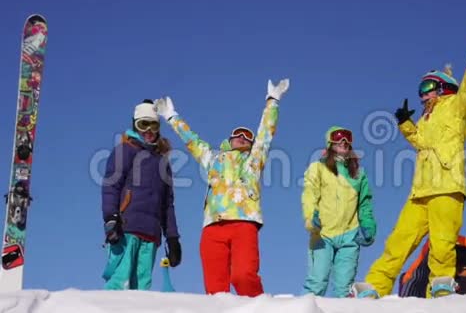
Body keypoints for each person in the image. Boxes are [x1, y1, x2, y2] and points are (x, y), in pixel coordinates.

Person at [361, 18, 466, 298]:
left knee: (443, 242)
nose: (421, 96)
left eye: (426, 88)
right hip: (420, 191)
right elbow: (420, 143)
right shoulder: (425, 119)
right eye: (420, 89)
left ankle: (441, 285)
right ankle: (376, 284)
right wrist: (405, 124)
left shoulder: (456, 107)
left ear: (443, 88)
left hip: (447, 186)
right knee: (399, 240)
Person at [154, 78, 290, 297]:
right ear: (230, 139)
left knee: (243, 276)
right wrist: (172, 116)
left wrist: (272, 101)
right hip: (213, 226)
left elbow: (265, 134)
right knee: (216, 290)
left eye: (248, 136)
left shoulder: (254, 161)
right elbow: (192, 141)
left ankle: (262, 308)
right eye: (239, 134)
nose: (243, 138)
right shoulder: (213, 158)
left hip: (244, 222)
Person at [101, 99, 182, 290]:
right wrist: (111, 218)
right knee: (121, 281)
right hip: (125, 228)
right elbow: (111, 186)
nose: (148, 131)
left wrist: (172, 237)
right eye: (142, 124)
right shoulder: (125, 150)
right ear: (135, 125)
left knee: (142, 287)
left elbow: (167, 205)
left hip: (151, 235)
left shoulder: (163, 162)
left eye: (153, 125)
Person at [301, 126, 376, 298]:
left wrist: (368, 226)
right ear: (329, 143)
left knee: (344, 288)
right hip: (323, 233)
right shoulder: (318, 168)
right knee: (317, 282)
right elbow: (310, 193)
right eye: (339, 137)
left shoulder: (358, 174)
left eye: (348, 138)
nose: (344, 141)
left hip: (350, 236)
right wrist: (311, 217)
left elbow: (365, 203)